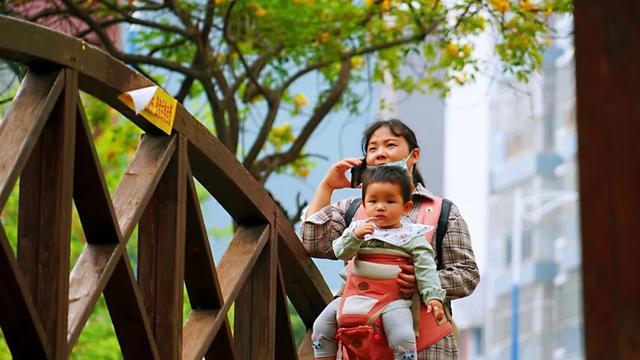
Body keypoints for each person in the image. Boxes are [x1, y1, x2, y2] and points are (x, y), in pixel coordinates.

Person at [300, 119, 480, 358]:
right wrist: (327, 186)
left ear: (414, 155)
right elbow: (312, 242)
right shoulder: (353, 210)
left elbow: (467, 273)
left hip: (428, 345)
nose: (381, 153)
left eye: (390, 145)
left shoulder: (443, 211)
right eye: (373, 149)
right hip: (361, 342)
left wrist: (423, 281)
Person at [312, 166, 446, 360]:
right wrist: (354, 237)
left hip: (391, 301)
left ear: (406, 207)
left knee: (402, 335)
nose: (380, 206)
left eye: (390, 201)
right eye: (373, 201)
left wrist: (433, 297)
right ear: (365, 205)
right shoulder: (357, 230)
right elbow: (340, 251)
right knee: (321, 326)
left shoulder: (412, 237)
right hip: (353, 295)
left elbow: (426, 269)